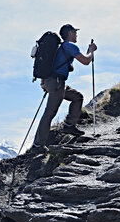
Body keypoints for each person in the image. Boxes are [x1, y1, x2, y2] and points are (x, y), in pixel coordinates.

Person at [30, 24, 97, 154]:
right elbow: (85, 61)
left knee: (77, 97)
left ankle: (69, 125)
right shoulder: (69, 46)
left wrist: (44, 82)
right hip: (56, 83)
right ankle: (38, 145)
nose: (76, 35)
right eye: (75, 32)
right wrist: (91, 51)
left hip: (54, 82)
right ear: (70, 33)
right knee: (50, 113)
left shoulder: (61, 47)